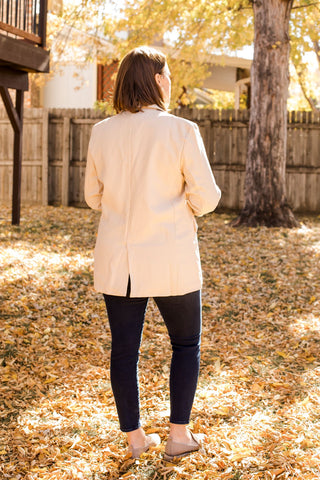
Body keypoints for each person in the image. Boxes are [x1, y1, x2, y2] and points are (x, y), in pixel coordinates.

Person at [84, 46, 221, 460]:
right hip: (170, 255)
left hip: (119, 259)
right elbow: (208, 198)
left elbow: (93, 198)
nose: (171, 81)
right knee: (185, 343)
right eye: (168, 75)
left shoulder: (102, 131)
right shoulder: (181, 130)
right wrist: (184, 206)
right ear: (158, 80)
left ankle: (135, 440)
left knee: (124, 349)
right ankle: (179, 436)